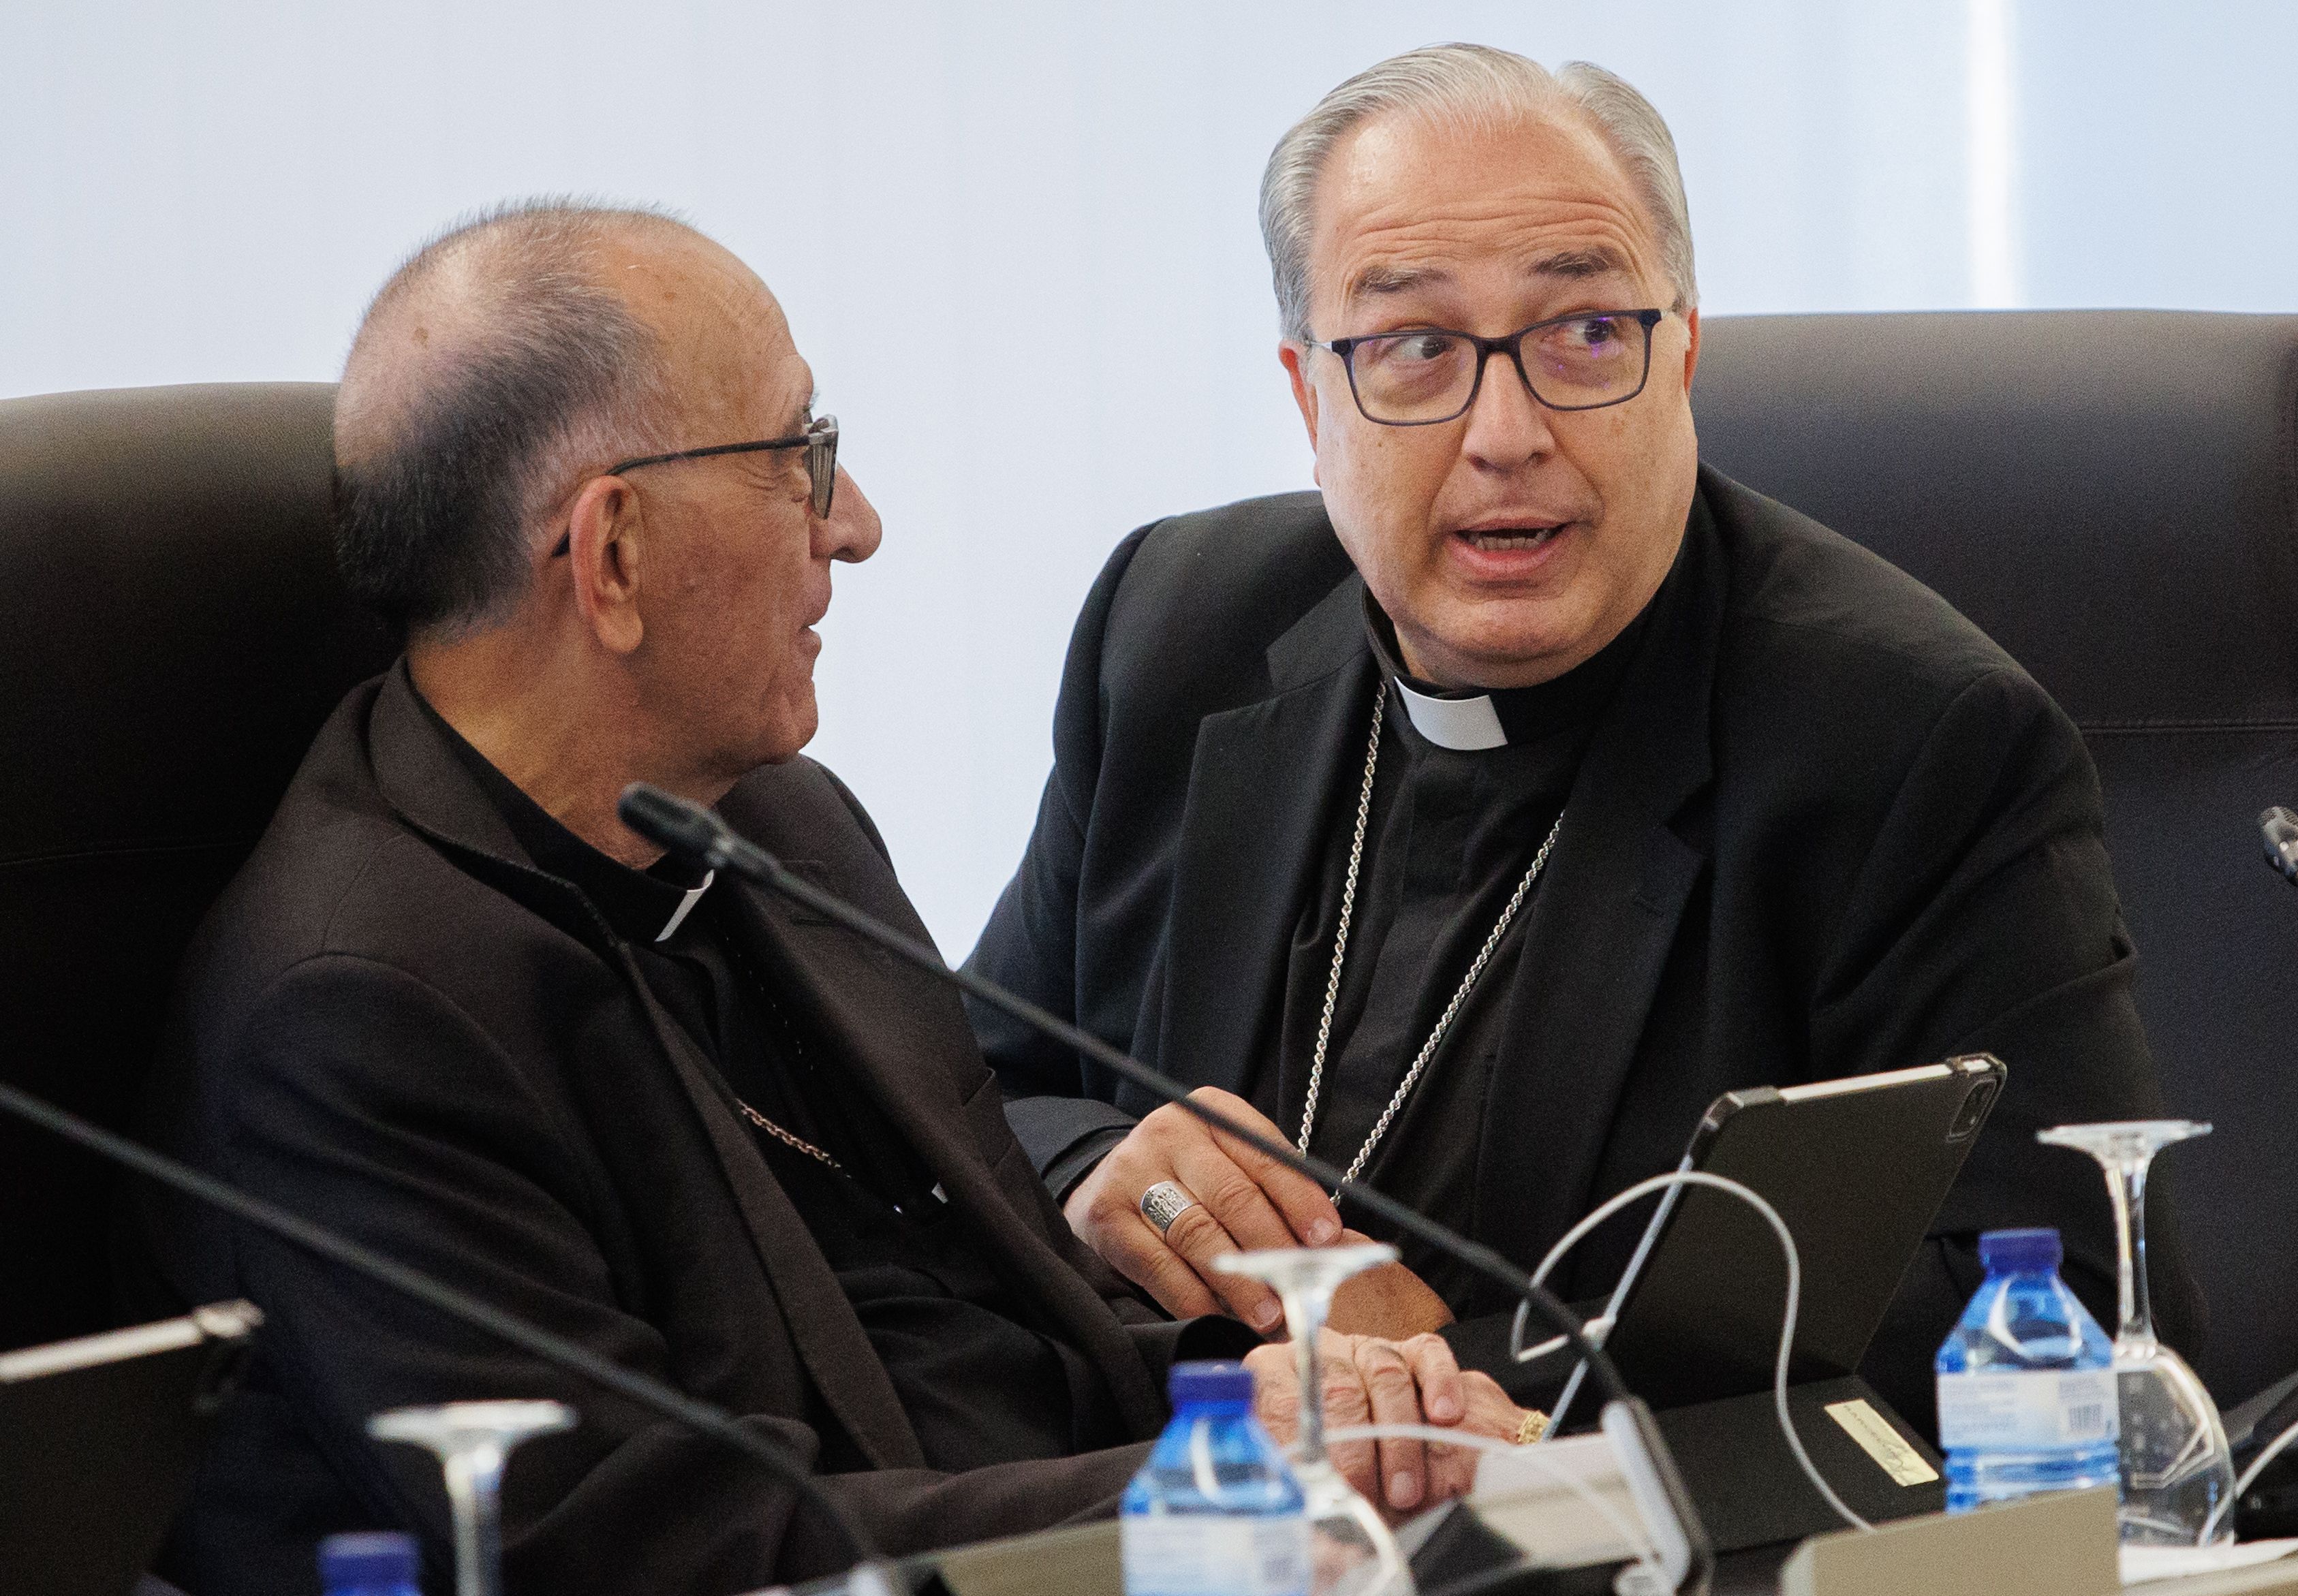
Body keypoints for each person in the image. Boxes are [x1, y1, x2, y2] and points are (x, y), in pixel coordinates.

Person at [138, 201, 1520, 1596]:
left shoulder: (779, 829)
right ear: (612, 555)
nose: (853, 526)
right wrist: (1210, 1477)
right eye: (798, 458)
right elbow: (649, 1549)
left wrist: (1282, 1395)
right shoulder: (357, 1014)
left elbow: (996, 1341)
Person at [968, 44, 2205, 1425]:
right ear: (1310, 398)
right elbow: (950, 1093)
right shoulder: (1174, 631)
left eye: (1585, 335)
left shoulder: (1911, 744)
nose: (1506, 433)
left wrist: (1477, 1390)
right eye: (1415, 348)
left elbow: (2063, 1307)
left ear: (1684, 355)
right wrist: (1096, 1168)